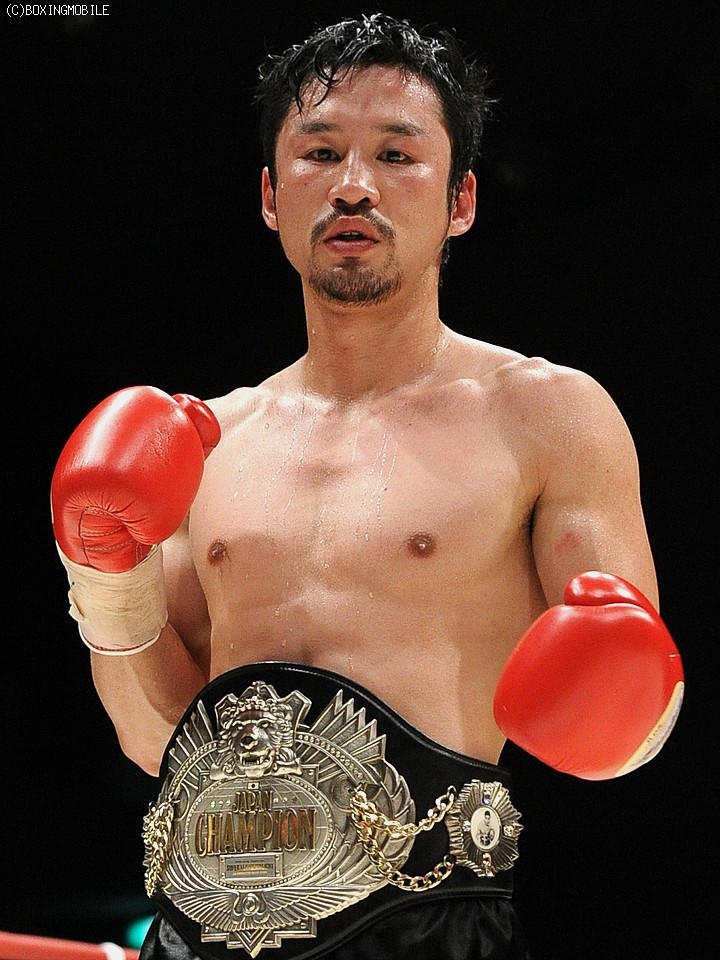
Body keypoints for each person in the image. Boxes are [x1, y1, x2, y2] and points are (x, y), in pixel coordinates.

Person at [51, 14, 684, 960]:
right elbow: (156, 741)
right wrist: (106, 579)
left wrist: (623, 694)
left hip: (424, 931)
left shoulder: (544, 414)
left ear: (461, 199)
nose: (354, 185)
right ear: (271, 196)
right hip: (198, 933)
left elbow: (632, 711)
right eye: (320, 153)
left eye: (397, 154)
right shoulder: (207, 440)